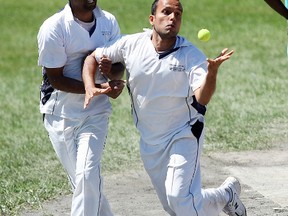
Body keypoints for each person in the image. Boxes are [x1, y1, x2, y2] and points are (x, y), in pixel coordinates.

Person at [82, 0, 247, 215]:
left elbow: (202, 98)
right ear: (152, 19)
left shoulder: (190, 55)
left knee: (180, 200)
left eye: (177, 14)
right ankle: (226, 195)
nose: (172, 18)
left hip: (184, 133)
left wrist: (212, 73)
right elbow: (92, 57)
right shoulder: (131, 44)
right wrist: (89, 86)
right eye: (166, 12)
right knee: (175, 205)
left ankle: (223, 196)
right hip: (150, 140)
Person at [37, 0, 125, 215]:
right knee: (84, 183)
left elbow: (120, 66)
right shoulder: (54, 27)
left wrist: (111, 72)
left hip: (96, 112)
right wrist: (97, 87)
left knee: (86, 176)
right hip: (60, 114)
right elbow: (56, 80)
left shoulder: (108, 22)